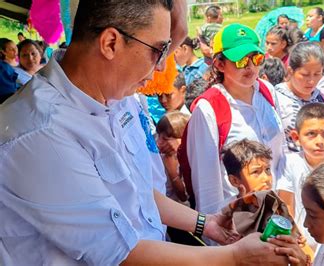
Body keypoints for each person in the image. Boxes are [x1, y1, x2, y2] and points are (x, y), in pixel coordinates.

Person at [0, 1, 291, 264]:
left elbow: (135, 191)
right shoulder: (39, 132)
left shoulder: (114, 95)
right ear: (110, 43)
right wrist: (234, 258)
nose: (162, 67)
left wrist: (205, 223)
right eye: (158, 50)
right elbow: (121, 255)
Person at [184, 23, 285, 214]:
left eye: (256, 58)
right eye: (240, 60)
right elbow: (206, 185)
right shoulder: (208, 109)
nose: (250, 66)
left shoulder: (267, 91)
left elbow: (281, 154)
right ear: (219, 64)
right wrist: (217, 237)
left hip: (275, 209)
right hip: (239, 218)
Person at [277, 103, 324, 250]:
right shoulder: (289, 163)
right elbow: (286, 207)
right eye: (311, 134)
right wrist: (295, 239)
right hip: (301, 244)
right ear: (296, 137)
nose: (319, 141)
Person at [274, 41, 324, 153]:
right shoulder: (275, 99)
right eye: (305, 74)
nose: (311, 81)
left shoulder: (323, 96)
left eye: (317, 74)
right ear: (290, 71)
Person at [156, 111, 190, 203]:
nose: (158, 142)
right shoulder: (160, 155)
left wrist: (172, 172)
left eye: (165, 139)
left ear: (180, 140)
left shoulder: (186, 160)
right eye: (159, 136)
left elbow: (184, 196)